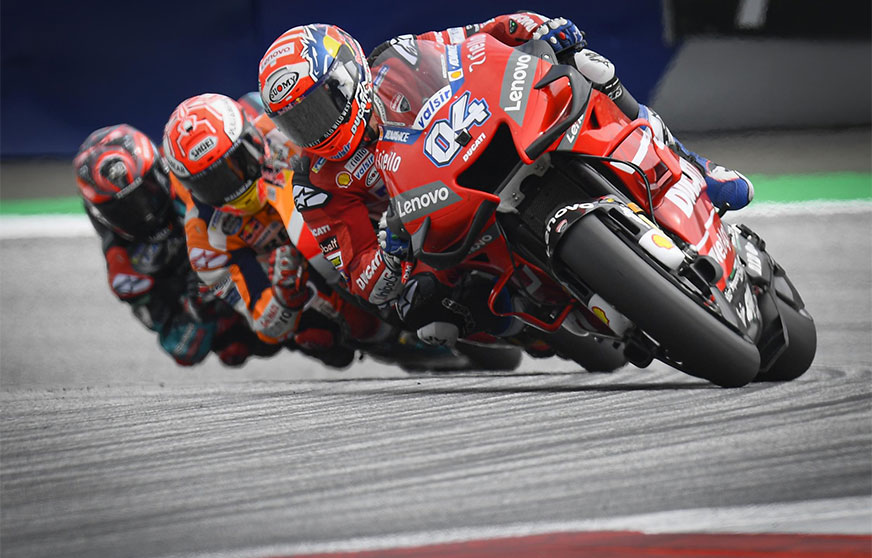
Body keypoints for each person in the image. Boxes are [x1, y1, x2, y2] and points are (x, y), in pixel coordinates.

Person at [255, 14, 754, 345]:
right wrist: (390, 254)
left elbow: (478, 38)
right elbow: (361, 278)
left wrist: (537, 28)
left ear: (349, 76)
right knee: (429, 319)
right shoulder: (314, 185)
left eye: (318, 107)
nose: (315, 129)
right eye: (298, 122)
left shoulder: (399, 59)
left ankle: (693, 167)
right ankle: (549, 317)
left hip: (480, 144)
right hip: (433, 233)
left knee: (588, 68)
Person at [162, 93, 396, 368]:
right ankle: (378, 334)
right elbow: (263, 323)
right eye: (211, 183)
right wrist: (284, 297)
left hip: (349, 212)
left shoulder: (285, 129)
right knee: (315, 334)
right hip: (305, 278)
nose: (232, 184)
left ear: (251, 139)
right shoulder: (203, 240)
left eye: (237, 162)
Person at [74, 123, 281, 367]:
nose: (146, 212)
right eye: (125, 210)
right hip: (235, 314)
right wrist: (196, 306)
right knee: (233, 349)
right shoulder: (125, 272)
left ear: (159, 168)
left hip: (261, 248)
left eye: (148, 189)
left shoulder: (187, 169)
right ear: (101, 217)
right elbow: (181, 348)